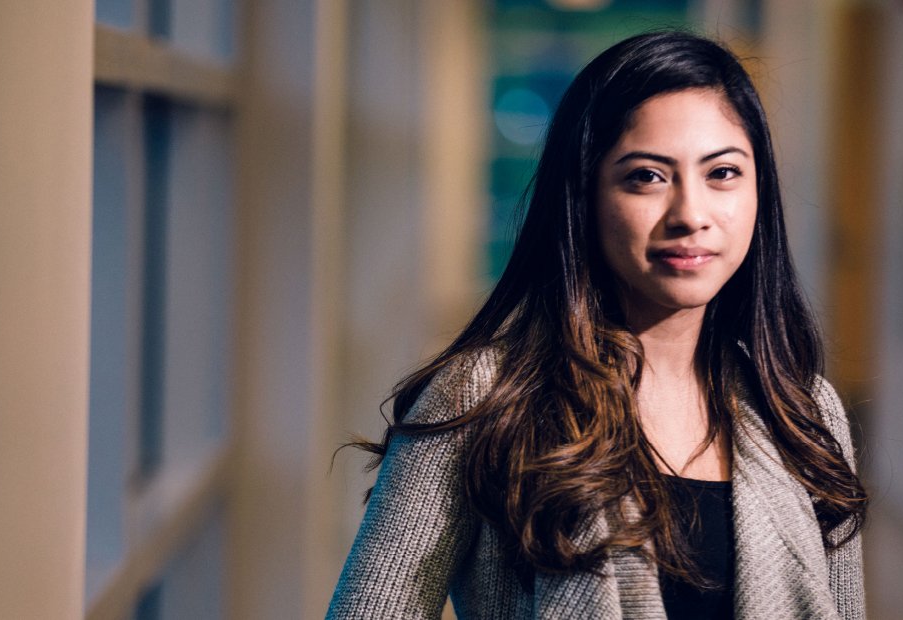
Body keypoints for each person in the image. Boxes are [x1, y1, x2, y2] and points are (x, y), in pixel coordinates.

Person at [327, 30, 867, 620]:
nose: (690, 215)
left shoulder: (801, 409)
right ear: (583, 194)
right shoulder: (484, 396)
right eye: (646, 177)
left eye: (723, 173)